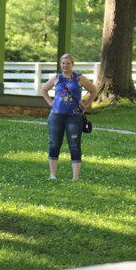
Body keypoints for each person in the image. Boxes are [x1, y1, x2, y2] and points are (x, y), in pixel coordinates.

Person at [41, 53, 97, 181]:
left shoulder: (79, 78)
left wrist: (86, 105)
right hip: (56, 116)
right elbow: (44, 90)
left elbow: (93, 90)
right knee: (54, 144)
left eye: (68, 63)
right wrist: (50, 102)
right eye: (63, 63)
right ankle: (52, 175)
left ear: (72, 64)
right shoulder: (56, 78)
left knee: (74, 145)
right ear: (60, 64)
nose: (65, 66)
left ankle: (75, 177)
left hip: (74, 116)